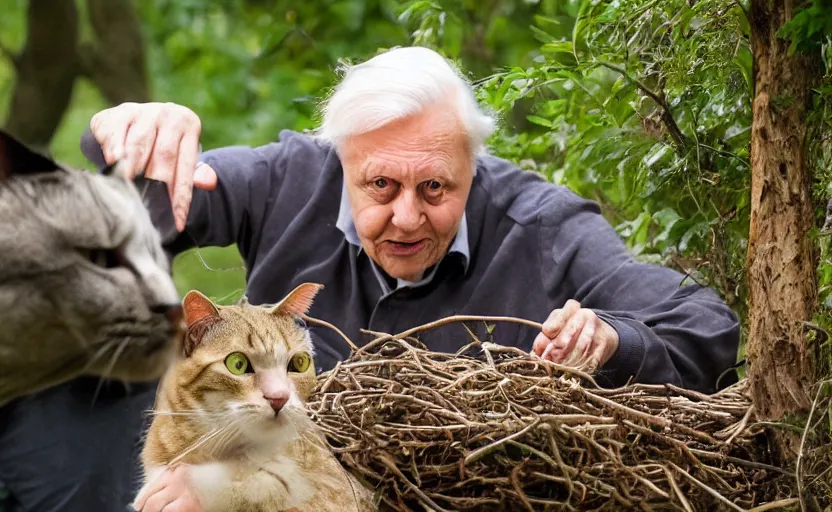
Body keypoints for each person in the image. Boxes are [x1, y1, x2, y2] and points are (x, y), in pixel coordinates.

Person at [79, 46, 739, 512]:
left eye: (434, 188)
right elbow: (128, 215)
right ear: (341, 161)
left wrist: (612, 339)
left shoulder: (541, 229)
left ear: (472, 167)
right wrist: (132, 138)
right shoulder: (289, 179)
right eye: (381, 185)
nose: (406, 216)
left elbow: (707, 331)